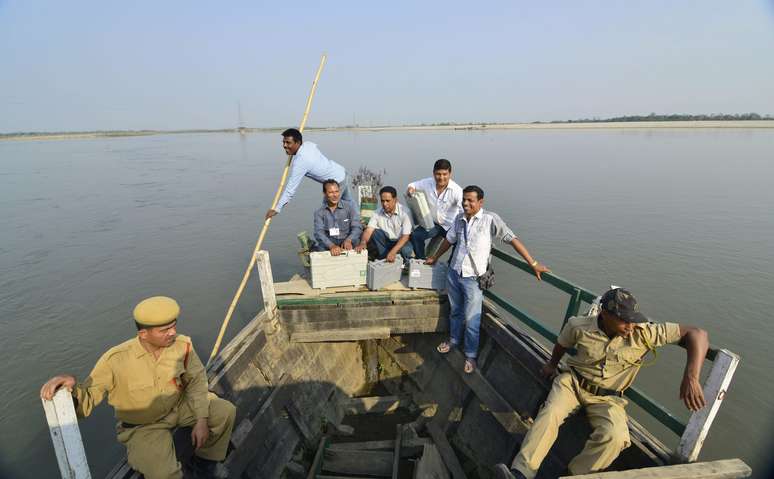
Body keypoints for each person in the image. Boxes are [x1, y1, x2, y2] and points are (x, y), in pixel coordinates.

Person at [494, 288, 709, 479]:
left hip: (608, 398)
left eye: (633, 318)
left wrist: (691, 376)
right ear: (605, 314)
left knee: (615, 437)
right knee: (550, 414)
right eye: (624, 319)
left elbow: (697, 334)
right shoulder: (579, 326)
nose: (630, 325)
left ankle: (573, 476)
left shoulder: (644, 332)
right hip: (573, 383)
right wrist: (552, 365)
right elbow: (561, 344)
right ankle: (521, 472)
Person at [40, 296, 236, 479]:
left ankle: (203, 466)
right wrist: (71, 389)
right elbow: (88, 399)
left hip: (179, 409)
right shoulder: (116, 360)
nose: (173, 333)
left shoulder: (182, 346)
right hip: (144, 427)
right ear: (143, 333)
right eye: (164, 330)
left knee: (225, 412)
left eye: (174, 326)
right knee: (165, 474)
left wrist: (201, 420)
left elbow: (196, 381)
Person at [426, 185, 549, 373]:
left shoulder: (490, 219)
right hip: (454, 272)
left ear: (480, 202)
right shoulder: (459, 219)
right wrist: (435, 257)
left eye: (470, 200)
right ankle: (453, 340)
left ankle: (471, 355)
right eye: (464, 200)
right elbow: (449, 240)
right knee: (455, 311)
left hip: (473, 279)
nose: (466, 203)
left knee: (472, 319)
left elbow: (513, 239)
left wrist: (533, 263)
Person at [265, 128, 351, 220]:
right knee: (348, 204)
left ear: (297, 143)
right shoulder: (308, 144)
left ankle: (335, 232)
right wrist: (293, 149)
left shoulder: (301, 162)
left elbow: (290, 189)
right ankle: (355, 222)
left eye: (288, 143)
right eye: (283, 142)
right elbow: (311, 146)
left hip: (337, 182)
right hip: (342, 172)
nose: (285, 145)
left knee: (326, 214)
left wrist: (277, 209)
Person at [406, 158, 463, 259]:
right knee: (416, 236)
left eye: (445, 174)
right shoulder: (427, 183)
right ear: (433, 173)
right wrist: (411, 190)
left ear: (450, 174)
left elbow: (463, 210)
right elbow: (412, 185)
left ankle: (451, 265)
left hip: (450, 225)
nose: (441, 178)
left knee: (460, 243)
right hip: (432, 224)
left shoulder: (457, 190)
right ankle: (421, 260)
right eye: (438, 174)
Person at [356, 186, 414, 262]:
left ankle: (406, 264)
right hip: (386, 241)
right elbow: (369, 230)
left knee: (406, 250)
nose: (385, 204)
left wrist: (393, 251)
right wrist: (363, 243)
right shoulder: (377, 212)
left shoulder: (405, 212)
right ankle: (384, 259)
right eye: (382, 201)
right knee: (375, 232)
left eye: (387, 200)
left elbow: (405, 237)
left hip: (401, 241)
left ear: (395, 200)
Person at [313, 179, 362, 255]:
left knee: (357, 244)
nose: (335, 195)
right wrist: (331, 246)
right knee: (320, 249)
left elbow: (357, 227)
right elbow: (318, 233)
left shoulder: (349, 207)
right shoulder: (319, 212)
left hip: (347, 238)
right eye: (331, 192)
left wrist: (349, 240)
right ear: (324, 193)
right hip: (330, 240)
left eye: (337, 191)